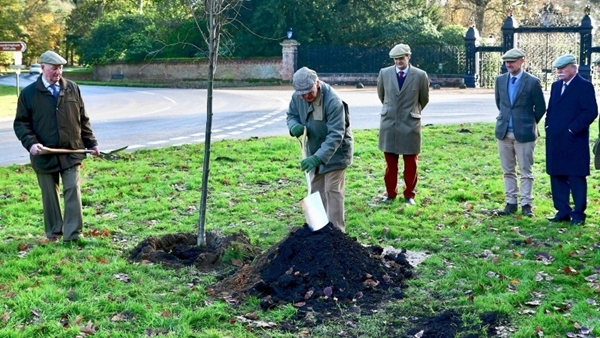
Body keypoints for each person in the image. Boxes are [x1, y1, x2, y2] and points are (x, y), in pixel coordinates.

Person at [14, 50, 100, 243]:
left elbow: (83, 119)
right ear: (42, 67)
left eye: (60, 68)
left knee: (72, 190)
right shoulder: (29, 94)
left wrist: (92, 143)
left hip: (71, 151)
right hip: (44, 153)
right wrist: (31, 144)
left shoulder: (72, 88)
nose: (58, 73)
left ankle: (73, 235)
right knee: (50, 195)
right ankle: (54, 232)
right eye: (53, 69)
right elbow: (21, 123)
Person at [286, 67, 353, 232]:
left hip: (336, 153)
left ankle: (337, 233)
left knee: (332, 191)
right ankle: (318, 232)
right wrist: (293, 125)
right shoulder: (297, 97)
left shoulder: (333, 101)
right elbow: (291, 115)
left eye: (309, 92)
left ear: (317, 83)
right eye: (302, 93)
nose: (306, 96)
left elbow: (336, 135)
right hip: (314, 149)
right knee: (316, 190)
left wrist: (318, 158)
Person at [545, 54, 598, 225]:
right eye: (557, 69)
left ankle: (578, 214)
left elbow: (591, 111)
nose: (559, 71)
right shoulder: (555, 86)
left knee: (575, 176)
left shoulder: (584, 86)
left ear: (573, 68)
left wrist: (572, 128)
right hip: (555, 139)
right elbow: (551, 109)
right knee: (557, 174)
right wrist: (548, 126)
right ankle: (562, 211)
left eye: (563, 68)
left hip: (575, 139)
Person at [493, 48, 546, 217]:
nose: (509, 64)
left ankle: (526, 204)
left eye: (512, 61)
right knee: (508, 170)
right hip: (503, 133)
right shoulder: (500, 80)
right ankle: (510, 203)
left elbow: (541, 107)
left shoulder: (532, 82)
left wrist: (528, 122)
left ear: (522, 61)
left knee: (525, 170)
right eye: (507, 62)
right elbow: (500, 103)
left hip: (524, 133)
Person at [376, 43, 429, 205]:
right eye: (395, 59)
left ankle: (409, 195)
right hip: (389, 124)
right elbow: (382, 95)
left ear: (408, 57)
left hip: (410, 124)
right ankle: (390, 194)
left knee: (410, 164)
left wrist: (412, 112)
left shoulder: (420, 75)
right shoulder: (384, 73)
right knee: (390, 165)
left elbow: (423, 99)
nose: (398, 61)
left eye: (401, 58)